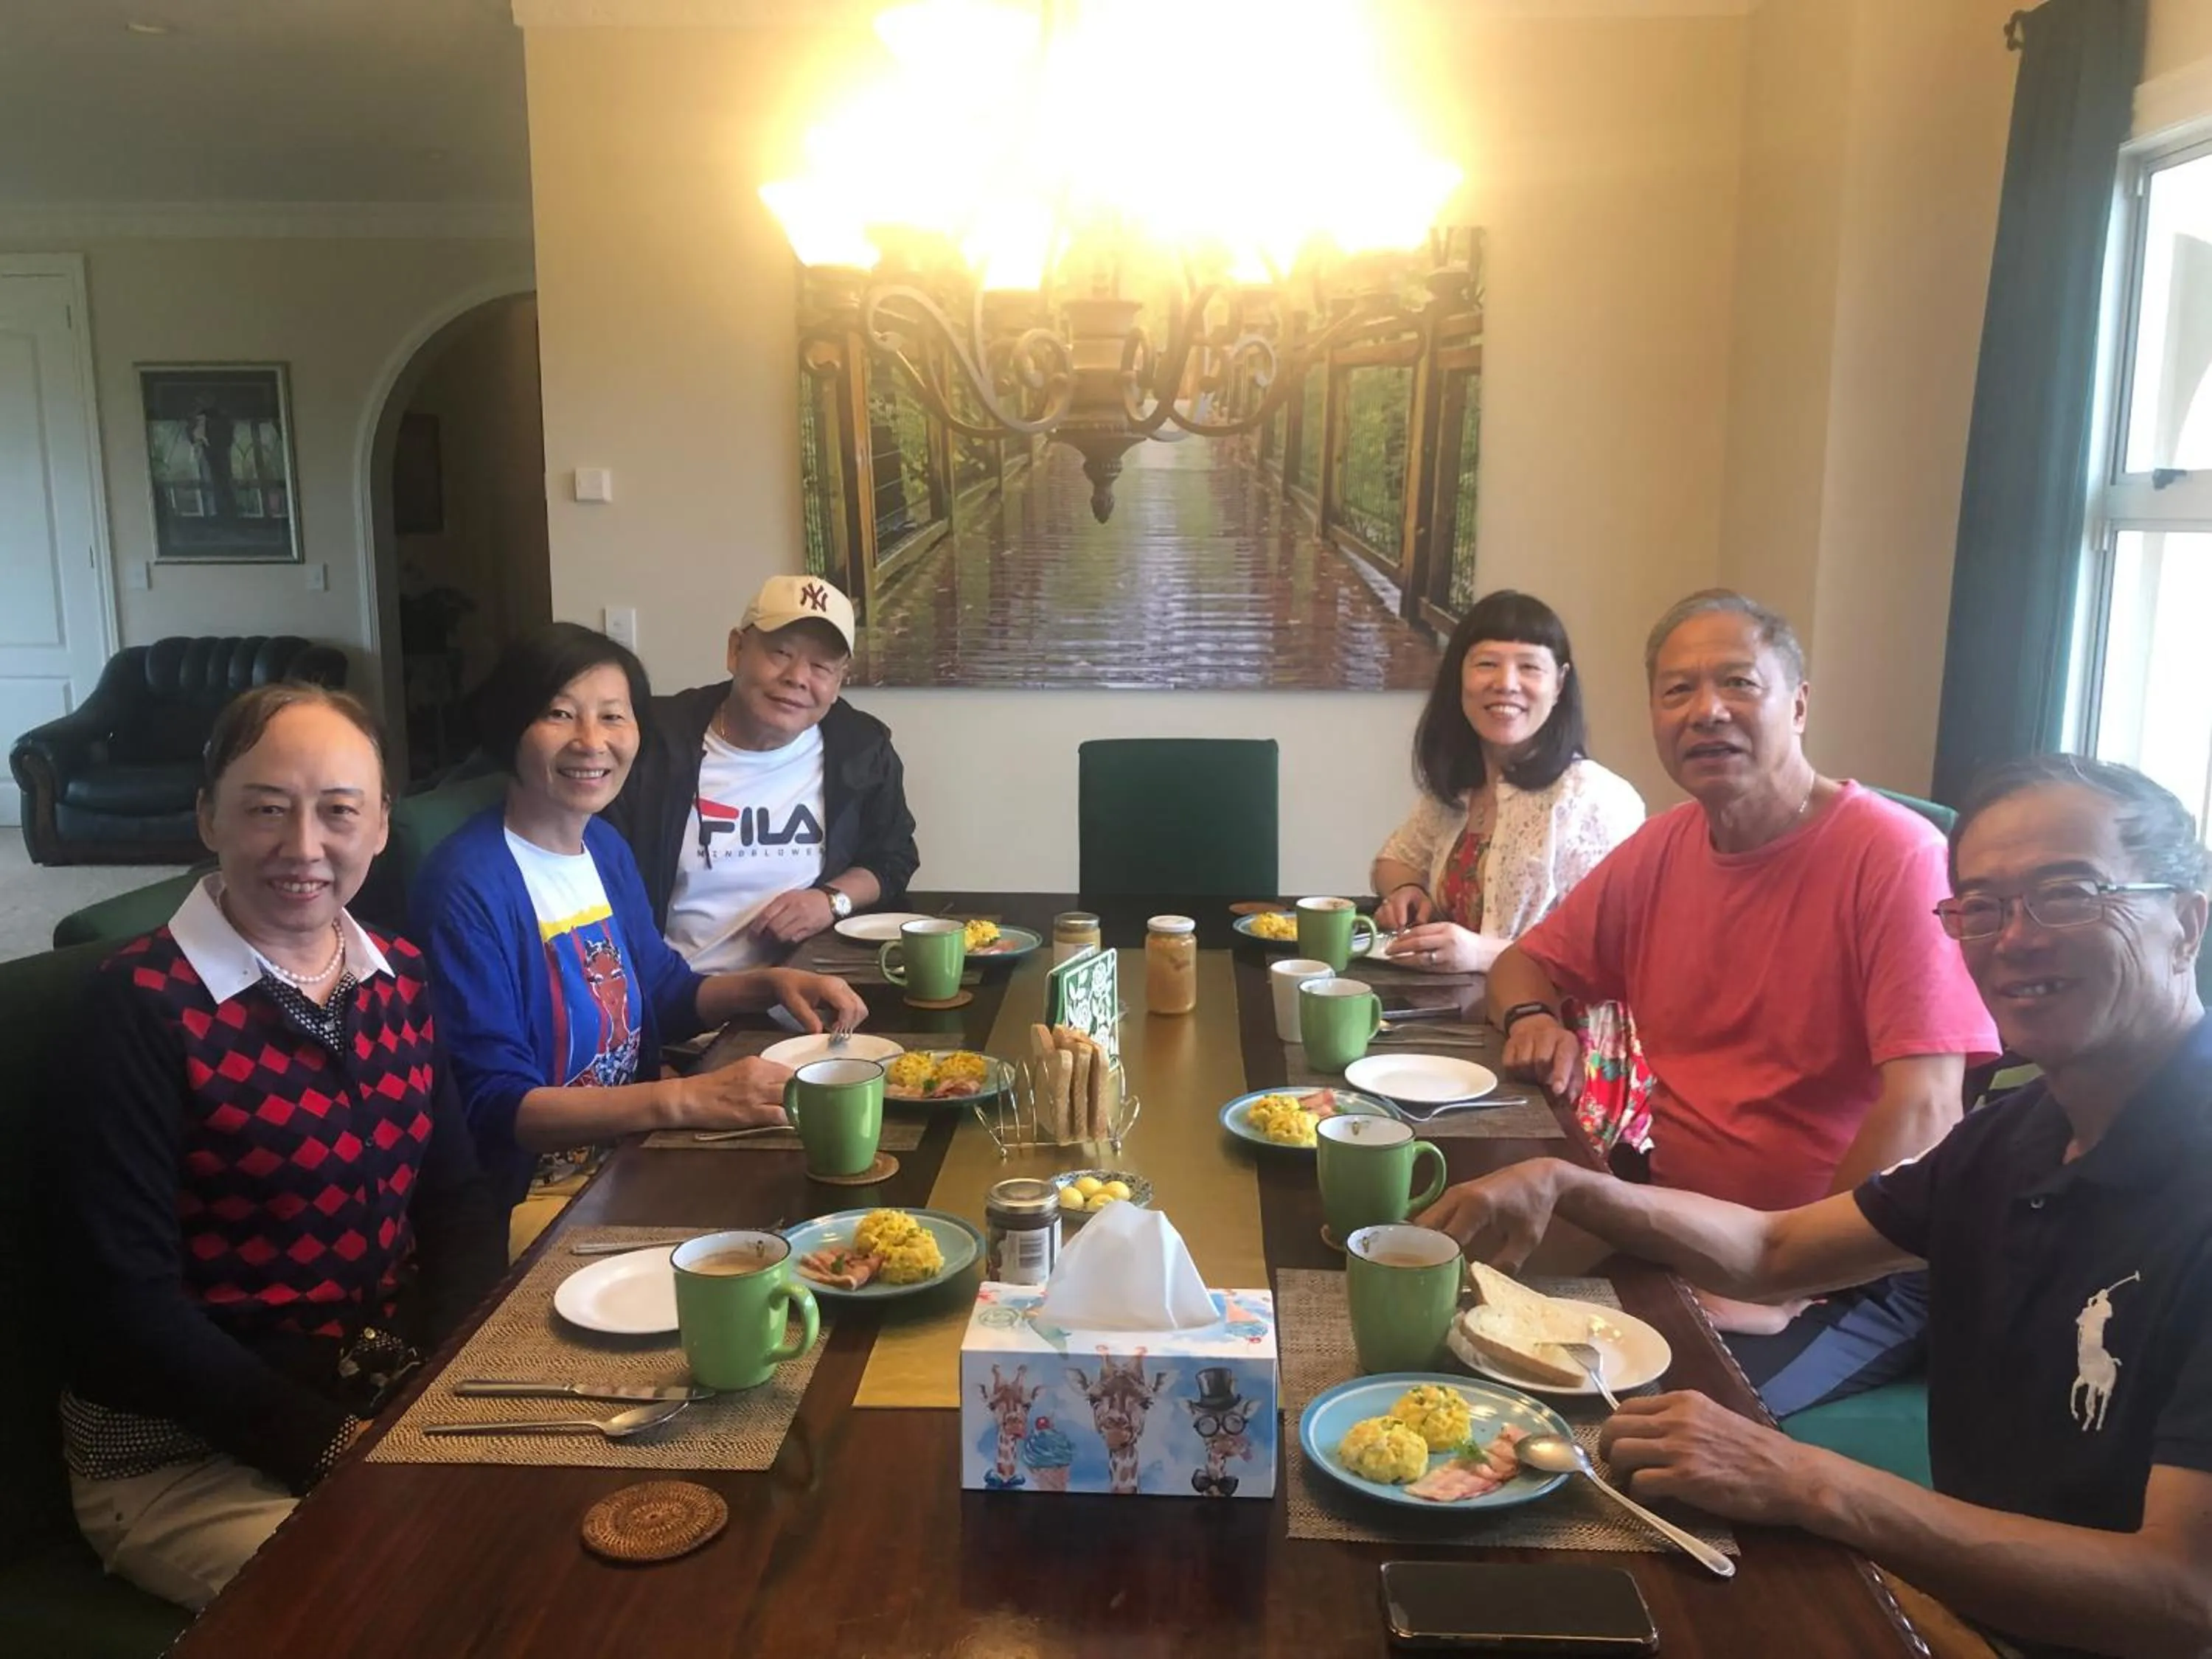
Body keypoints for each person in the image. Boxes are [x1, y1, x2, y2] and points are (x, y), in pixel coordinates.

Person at [1419, 756, 2212, 1659]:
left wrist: (1813, 1484)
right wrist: (1570, 1184)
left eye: (2067, 894)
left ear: (2187, 922)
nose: (2016, 939)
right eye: (1982, 908)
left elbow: (2185, 1598)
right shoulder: (2020, 1135)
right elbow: (1776, 1251)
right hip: (1957, 1605)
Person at [1467, 588, 1999, 1415]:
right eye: (1678, 691)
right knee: (1463, 1308)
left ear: (1799, 703)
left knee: (1630, 1425)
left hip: (1860, 1270)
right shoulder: (1666, 848)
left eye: (1739, 684)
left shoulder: (1896, 858)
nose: (1706, 711)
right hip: (1686, 1218)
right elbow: (1524, 964)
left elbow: (1928, 1111)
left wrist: (1796, 1275)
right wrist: (1535, 1017)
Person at [56, 684, 507, 1609]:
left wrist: (451, 1383)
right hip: (185, 1456)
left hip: (373, 1392)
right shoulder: (136, 1009)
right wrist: (341, 1451)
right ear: (206, 815)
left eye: (339, 811)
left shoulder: (398, 975)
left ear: (381, 826)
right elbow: (128, 1309)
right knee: (437, 1607)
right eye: (267, 808)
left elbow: (456, 1198)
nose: (304, 847)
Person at [413, 624, 868, 1221]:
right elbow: (498, 1104)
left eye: (612, 717)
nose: (590, 742)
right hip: (538, 1197)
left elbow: (662, 991)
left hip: (634, 1155)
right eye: (559, 715)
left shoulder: (602, 848)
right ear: (510, 727)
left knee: (834, 1200)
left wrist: (772, 985)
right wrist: (684, 1099)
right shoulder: (466, 883)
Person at [1368, 591, 1646, 1148]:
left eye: (1529, 667)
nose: (1507, 683)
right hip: (1469, 1022)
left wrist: (1481, 952)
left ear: (1560, 683)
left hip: (1561, 1054)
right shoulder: (1464, 787)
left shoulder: (1593, 799)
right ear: (1460, 679)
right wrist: (1404, 887)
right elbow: (1396, 855)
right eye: (1488, 664)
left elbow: (1615, 957)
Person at [605, 574, 919, 970]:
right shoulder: (653, 743)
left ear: (840, 680)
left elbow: (893, 857)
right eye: (781, 653)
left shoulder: (860, 747)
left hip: (811, 1002)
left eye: (821, 666)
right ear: (736, 650)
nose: (797, 677)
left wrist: (830, 900)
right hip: (678, 1004)